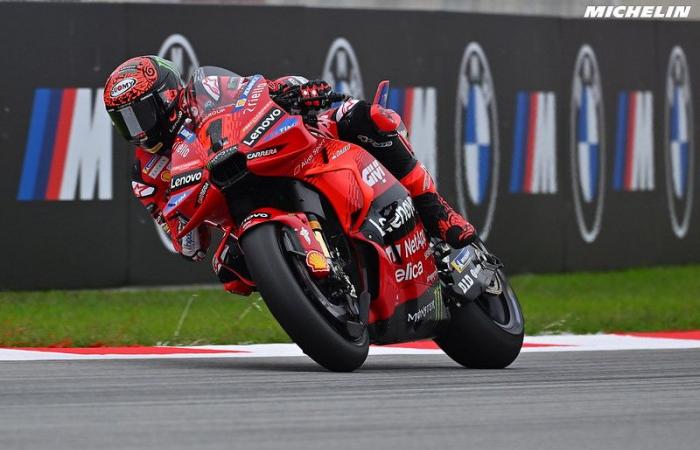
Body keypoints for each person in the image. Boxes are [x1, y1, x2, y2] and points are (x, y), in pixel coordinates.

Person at [104, 55, 476, 295]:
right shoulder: (146, 174)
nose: (139, 129)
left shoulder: (207, 91)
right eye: (126, 121)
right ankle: (311, 291)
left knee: (368, 119)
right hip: (238, 209)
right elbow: (188, 241)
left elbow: (256, 89)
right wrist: (184, 231)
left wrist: (295, 91)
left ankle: (436, 210)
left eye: (143, 113)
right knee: (230, 273)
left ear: (168, 95)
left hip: (285, 149)